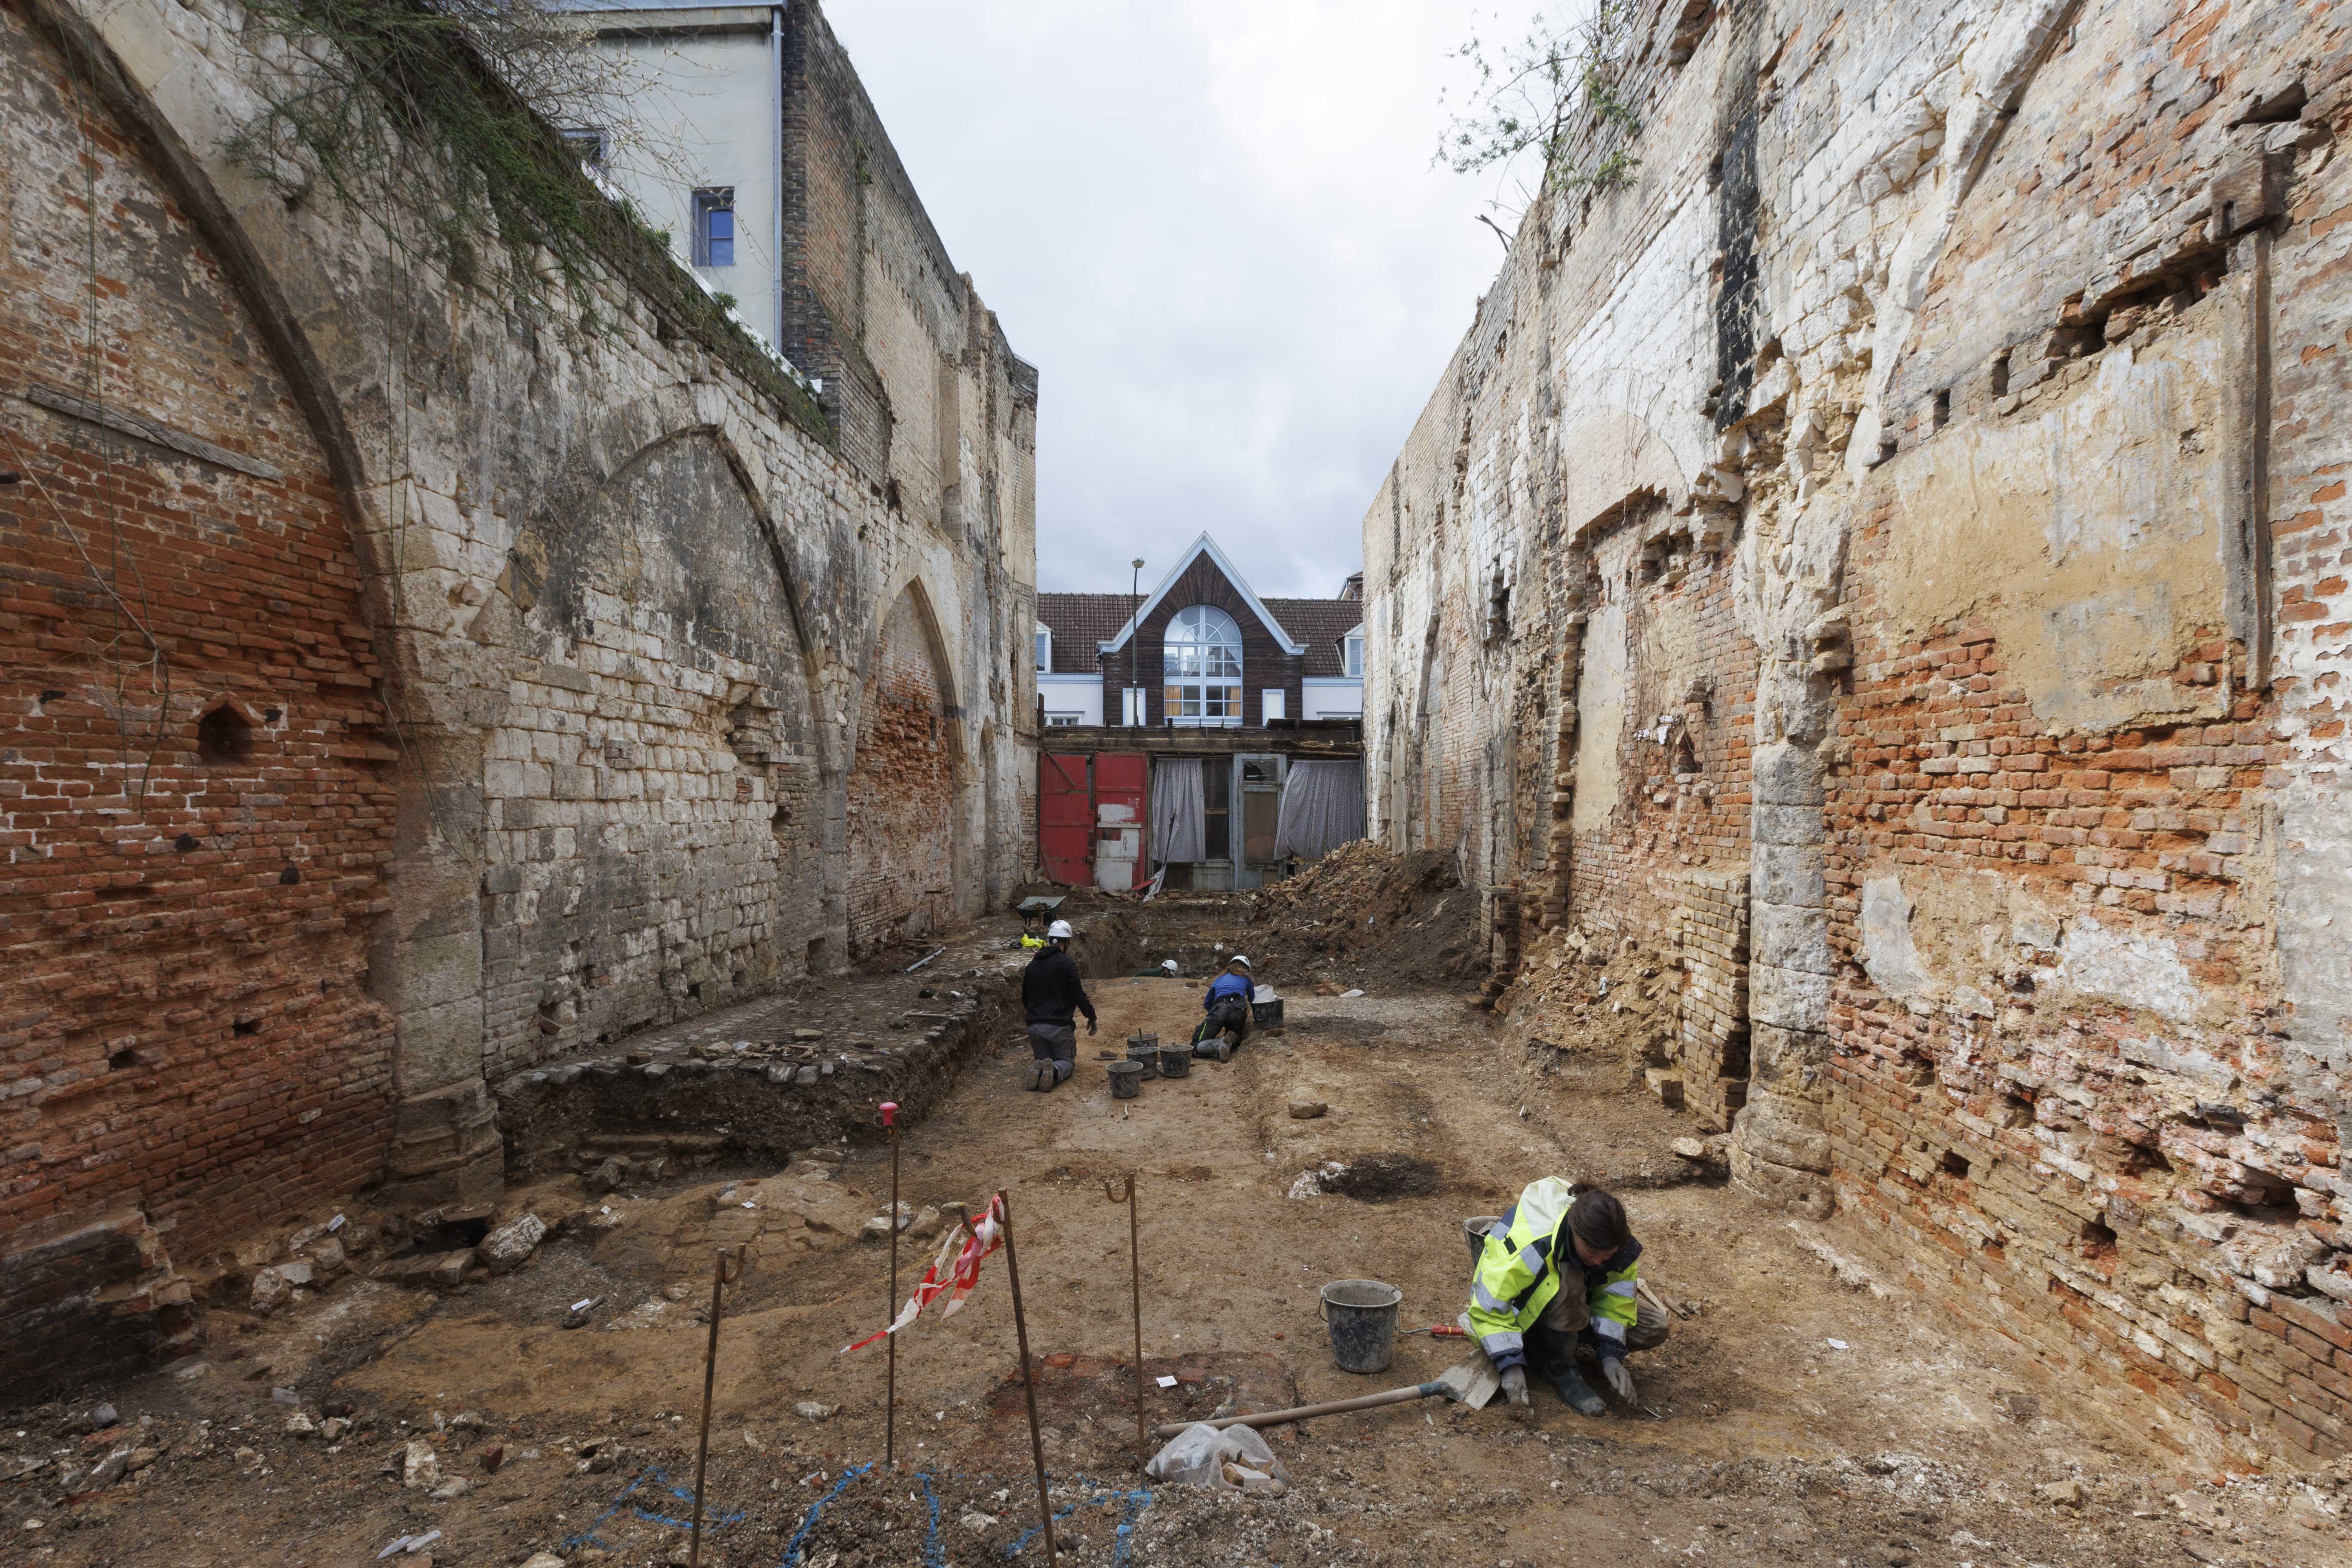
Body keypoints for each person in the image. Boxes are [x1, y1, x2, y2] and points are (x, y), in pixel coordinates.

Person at [1465, 1182, 1668, 1416]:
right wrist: (1509, 1364)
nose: (1600, 1261)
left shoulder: (1616, 1241)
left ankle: (1556, 1342)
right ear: (1575, 1231)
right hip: (1522, 1311)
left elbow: (1616, 1300)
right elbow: (1488, 1306)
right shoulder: (1533, 1241)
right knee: (1568, 1281)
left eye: (1608, 1255)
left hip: (1571, 1308)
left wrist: (1611, 1356)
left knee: (1654, 1326)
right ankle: (1559, 1368)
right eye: (1592, 1252)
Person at [1019, 919, 1096, 1091]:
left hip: (1035, 1028)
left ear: (1049, 940)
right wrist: (1091, 1016)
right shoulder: (1067, 965)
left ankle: (1035, 1070)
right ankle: (1053, 1072)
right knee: (1066, 1062)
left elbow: (1025, 997)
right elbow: (1078, 995)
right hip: (1059, 1028)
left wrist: (1035, 1016)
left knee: (1042, 1061)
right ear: (1066, 942)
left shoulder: (1033, 965)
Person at [1192, 954, 1255, 1060]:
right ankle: (1228, 1041)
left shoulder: (1220, 978)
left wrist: (1214, 1017)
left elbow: (1208, 1002)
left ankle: (1219, 1044)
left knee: (1196, 1045)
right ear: (1246, 968)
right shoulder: (1247, 978)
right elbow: (1253, 1000)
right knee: (1237, 1036)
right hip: (1238, 1009)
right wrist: (1258, 1019)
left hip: (1219, 1007)